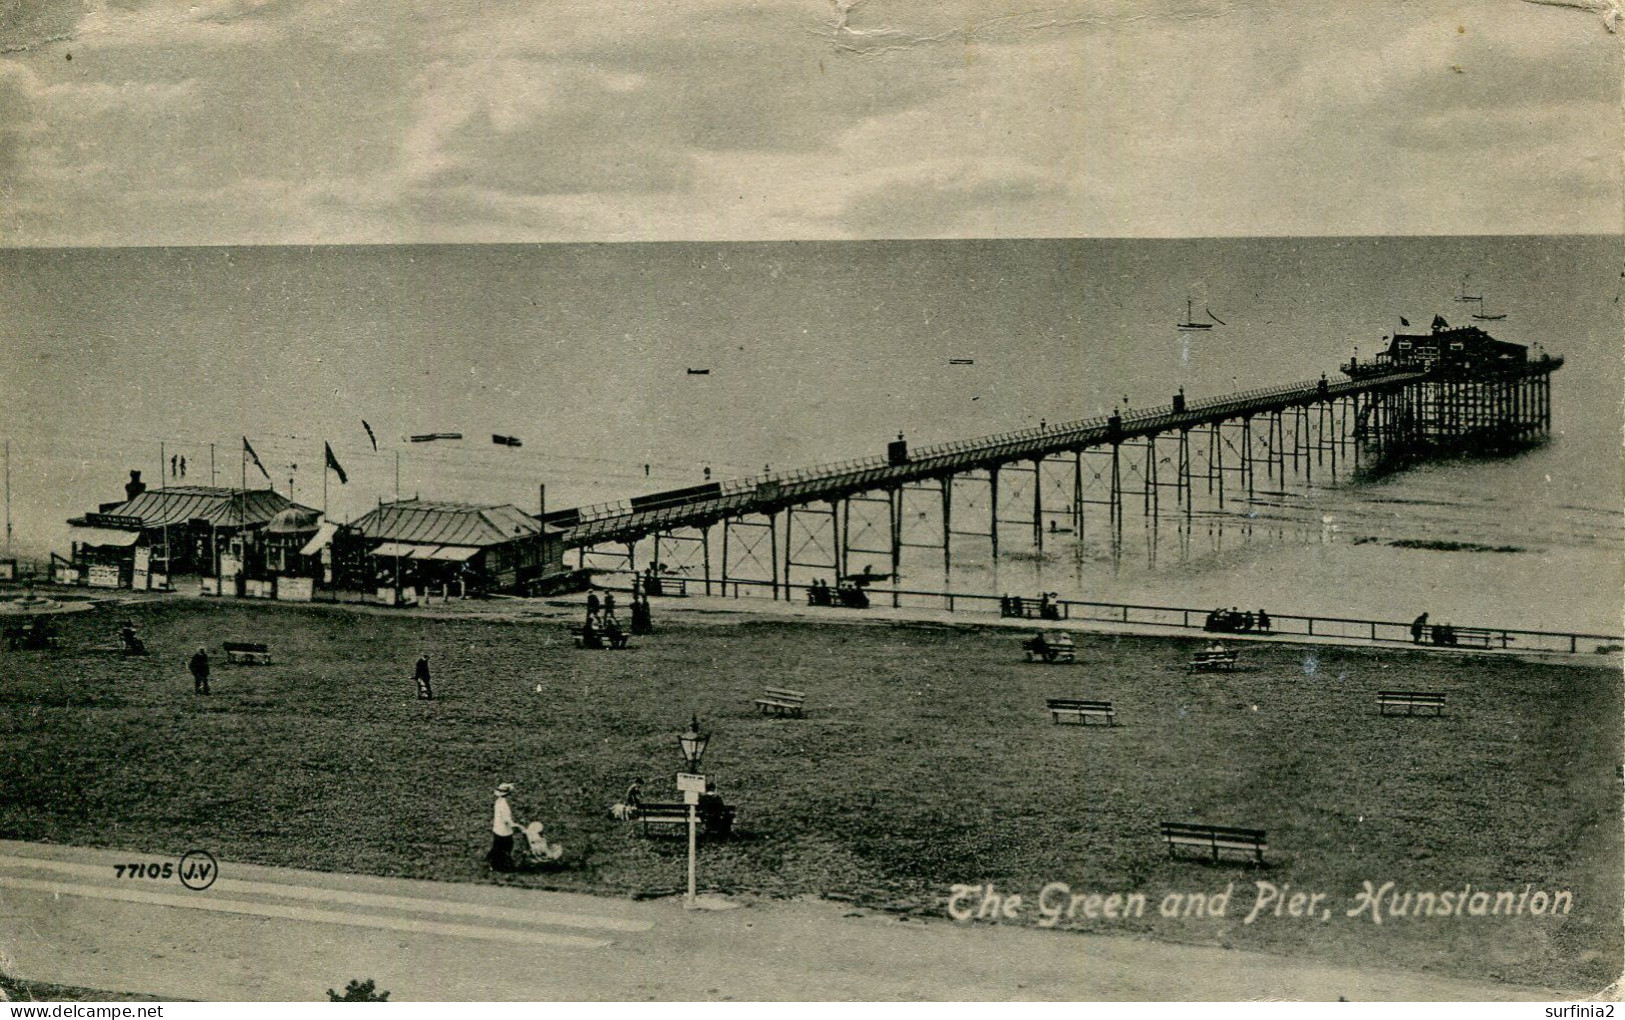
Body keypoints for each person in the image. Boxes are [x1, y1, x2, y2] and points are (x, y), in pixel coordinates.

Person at [488, 782, 519, 871]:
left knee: (497, 847)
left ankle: (493, 863)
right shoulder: (504, 805)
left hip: (497, 828)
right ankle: (501, 865)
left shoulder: (498, 802)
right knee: (507, 847)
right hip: (504, 831)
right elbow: (506, 819)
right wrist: (514, 825)